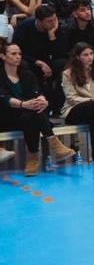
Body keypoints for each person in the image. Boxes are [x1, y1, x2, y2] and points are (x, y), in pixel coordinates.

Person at [1, 40, 76, 176]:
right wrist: (24, 104)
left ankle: (34, 157)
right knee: (32, 113)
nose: (18, 56)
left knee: (31, 115)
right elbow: (4, 98)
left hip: (26, 116)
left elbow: (37, 92)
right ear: (3, 56)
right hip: (6, 117)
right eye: (13, 53)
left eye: (19, 53)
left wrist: (43, 100)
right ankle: (50, 146)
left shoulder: (27, 74)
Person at [12, 4, 68, 111]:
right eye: (49, 21)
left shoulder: (56, 27)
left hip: (49, 60)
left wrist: (52, 36)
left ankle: (58, 106)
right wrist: (39, 63)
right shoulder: (25, 27)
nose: (53, 23)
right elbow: (16, 52)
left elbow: (61, 53)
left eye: (54, 19)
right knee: (23, 65)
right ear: (39, 21)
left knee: (64, 64)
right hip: (29, 61)